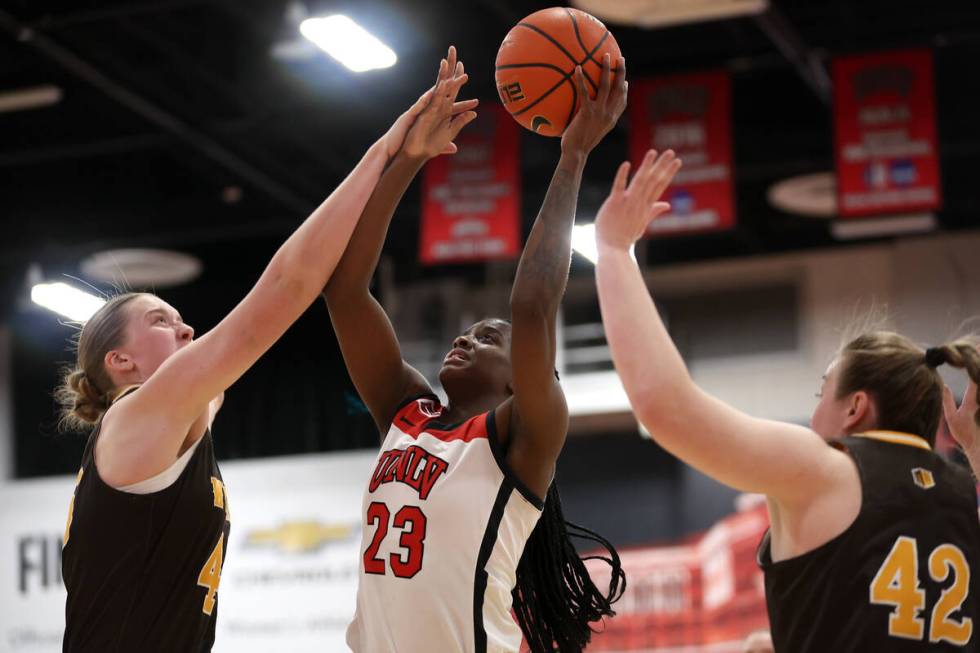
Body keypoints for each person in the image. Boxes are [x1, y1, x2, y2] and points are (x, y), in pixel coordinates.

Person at [55, 55, 457, 652]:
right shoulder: (139, 415)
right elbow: (289, 286)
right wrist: (385, 155)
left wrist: (406, 165)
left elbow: (312, 292)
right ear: (121, 362)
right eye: (161, 321)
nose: (187, 329)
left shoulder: (181, 418)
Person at [592, 149, 980, 652]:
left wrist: (615, 251)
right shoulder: (960, 494)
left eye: (823, 392)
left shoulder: (827, 468)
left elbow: (665, 406)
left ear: (855, 407)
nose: (816, 409)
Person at [324, 48, 627, 653]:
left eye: (490, 337)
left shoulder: (524, 434)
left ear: (525, 378)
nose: (465, 337)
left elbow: (533, 308)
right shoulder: (407, 416)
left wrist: (573, 156)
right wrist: (408, 160)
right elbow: (344, 288)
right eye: (468, 331)